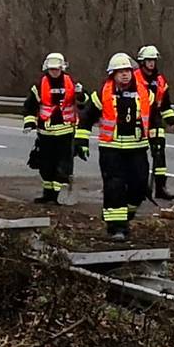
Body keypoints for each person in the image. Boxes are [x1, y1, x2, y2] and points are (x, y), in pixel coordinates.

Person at [81, 52, 154, 241]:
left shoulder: (145, 94)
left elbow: (153, 118)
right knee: (115, 187)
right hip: (111, 149)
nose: (124, 75)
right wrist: (81, 141)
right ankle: (117, 227)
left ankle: (125, 215)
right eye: (120, 71)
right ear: (112, 74)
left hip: (137, 148)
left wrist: (157, 142)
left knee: (140, 186)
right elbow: (86, 118)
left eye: (127, 71)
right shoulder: (102, 94)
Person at [21, 52, 83, 205]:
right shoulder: (38, 86)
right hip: (45, 132)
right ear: (47, 69)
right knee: (46, 165)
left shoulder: (72, 83)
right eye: (52, 69)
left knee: (63, 164)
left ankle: (59, 194)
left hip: (66, 131)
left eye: (57, 69)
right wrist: (29, 122)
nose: (54, 72)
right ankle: (48, 194)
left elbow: (84, 102)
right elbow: (30, 106)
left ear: (62, 68)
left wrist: (80, 94)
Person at [134, 45, 172, 200]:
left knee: (159, 153)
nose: (151, 63)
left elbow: (165, 102)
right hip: (138, 121)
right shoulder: (134, 77)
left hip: (155, 121)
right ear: (142, 62)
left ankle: (160, 187)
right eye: (148, 60)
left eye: (153, 60)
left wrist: (169, 116)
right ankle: (140, 187)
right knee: (138, 155)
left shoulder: (160, 80)